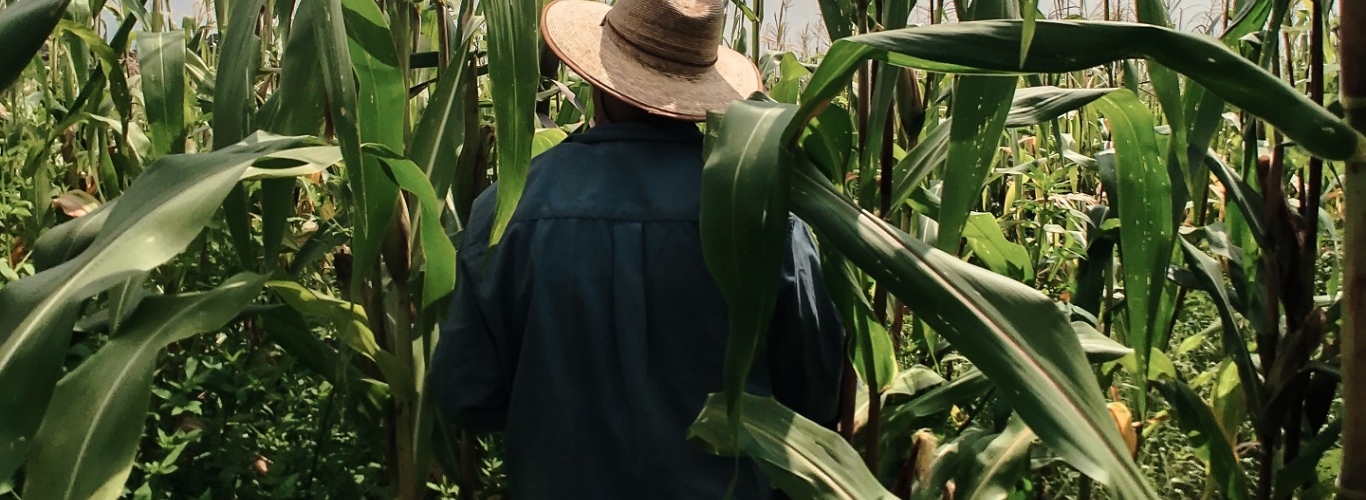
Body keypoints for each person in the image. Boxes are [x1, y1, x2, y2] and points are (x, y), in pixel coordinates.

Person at [429, 0, 846, 498]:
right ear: (701, 84)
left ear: (598, 78)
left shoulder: (506, 211)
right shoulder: (762, 214)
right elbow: (817, 398)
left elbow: (466, 396)